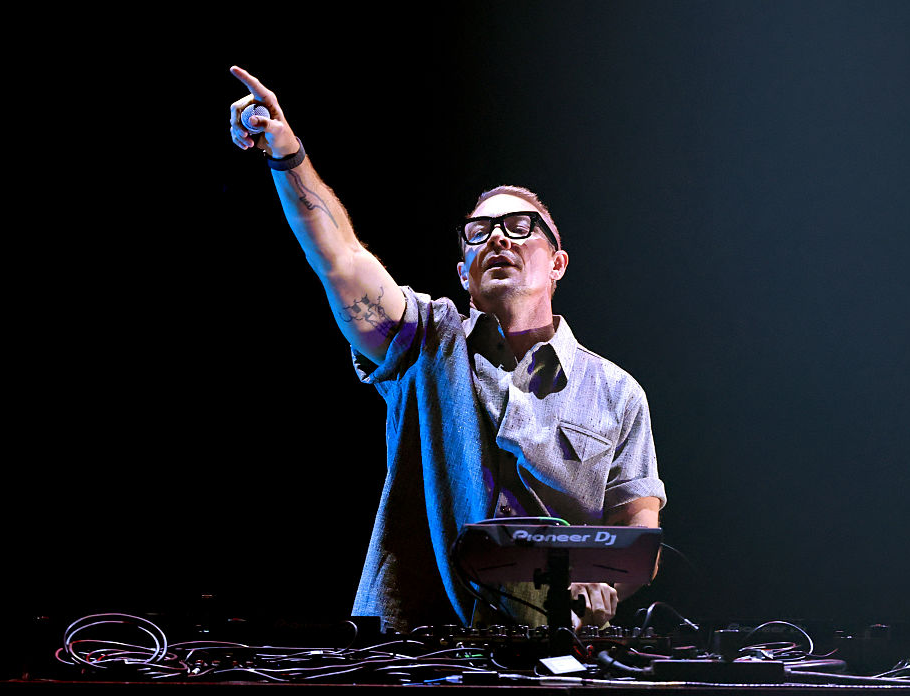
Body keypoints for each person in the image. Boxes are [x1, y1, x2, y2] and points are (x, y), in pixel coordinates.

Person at [228, 66, 666, 633]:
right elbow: (340, 257)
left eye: (520, 226)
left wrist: (600, 589)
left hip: (556, 646)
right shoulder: (426, 340)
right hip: (415, 649)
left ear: (557, 263)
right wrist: (289, 156)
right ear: (464, 274)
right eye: (479, 233)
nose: (498, 237)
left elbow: (637, 536)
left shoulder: (616, 392)